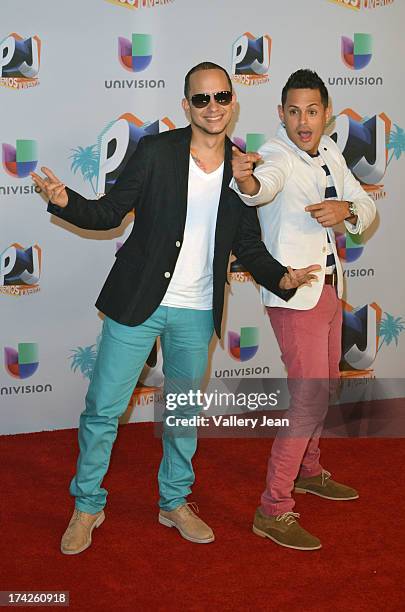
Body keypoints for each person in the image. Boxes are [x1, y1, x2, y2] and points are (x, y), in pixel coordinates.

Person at [31, 62, 319, 555]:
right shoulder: (157, 152)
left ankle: (174, 501)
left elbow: (247, 245)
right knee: (103, 410)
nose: (213, 107)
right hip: (138, 302)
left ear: (233, 102)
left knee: (183, 415)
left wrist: (281, 277)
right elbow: (110, 212)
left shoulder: (243, 167)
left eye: (221, 97)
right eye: (201, 99)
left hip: (196, 312)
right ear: (186, 106)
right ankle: (86, 506)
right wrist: (65, 201)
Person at [231, 69, 376, 551]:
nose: (303, 121)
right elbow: (263, 186)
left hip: (331, 292)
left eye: (312, 110)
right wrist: (248, 181)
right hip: (295, 298)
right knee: (310, 399)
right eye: (293, 112)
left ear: (326, 112)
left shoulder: (331, 150)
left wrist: (348, 213)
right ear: (281, 115)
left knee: (327, 387)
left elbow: (364, 206)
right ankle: (273, 508)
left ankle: (309, 471)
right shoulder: (276, 156)